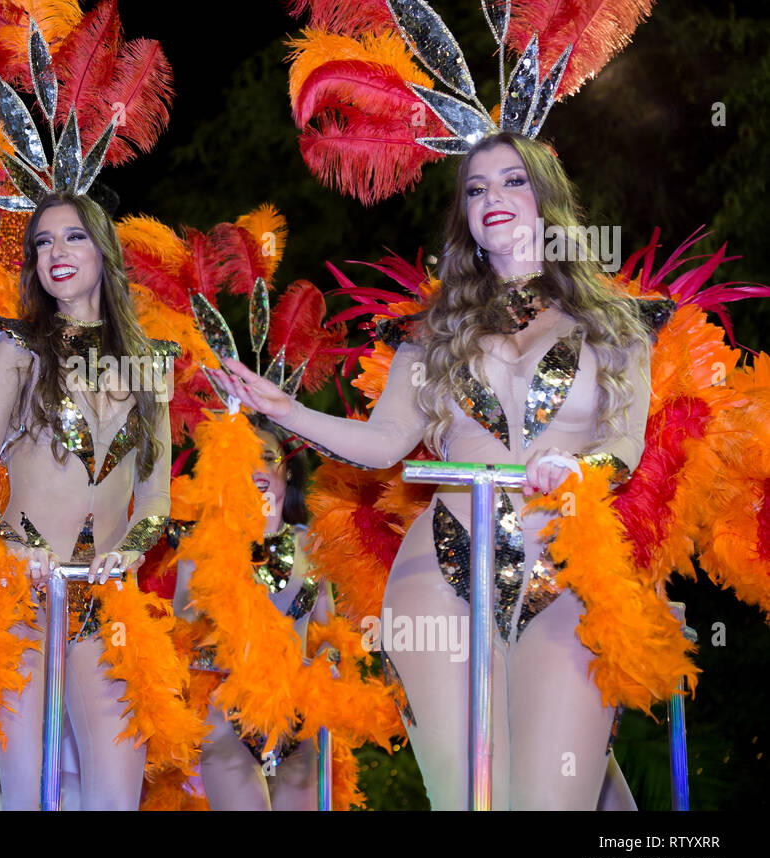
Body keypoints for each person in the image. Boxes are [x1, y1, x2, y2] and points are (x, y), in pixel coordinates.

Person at [211, 132, 654, 810]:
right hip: (439, 571)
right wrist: (288, 410)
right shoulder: (434, 332)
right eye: (476, 190)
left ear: (547, 199)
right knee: (469, 798)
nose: (492, 198)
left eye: (511, 181)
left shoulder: (615, 325)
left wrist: (578, 465)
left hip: (567, 566)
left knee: (550, 797)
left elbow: (623, 444)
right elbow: (385, 444)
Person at [0, 191, 174, 810]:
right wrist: (12, 548)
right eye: (43, 242)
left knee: (116, 797)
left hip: (105, 606)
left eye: (73, 236)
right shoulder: (16, 353)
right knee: (29, 795)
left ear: (103, 250)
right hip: (20, 603)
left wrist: (132, 547)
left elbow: (155, 494)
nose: (57, 252)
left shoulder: (151, 365)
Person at [171, 417, 332, 810]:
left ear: (288, 468)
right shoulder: (202, 546)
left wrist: (330, 666)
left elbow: (331, 634)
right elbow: (181, 643)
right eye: (244, 460)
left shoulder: (315, 544)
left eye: (266, 456)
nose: (257, 470)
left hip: (298, 715)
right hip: (224, 716)